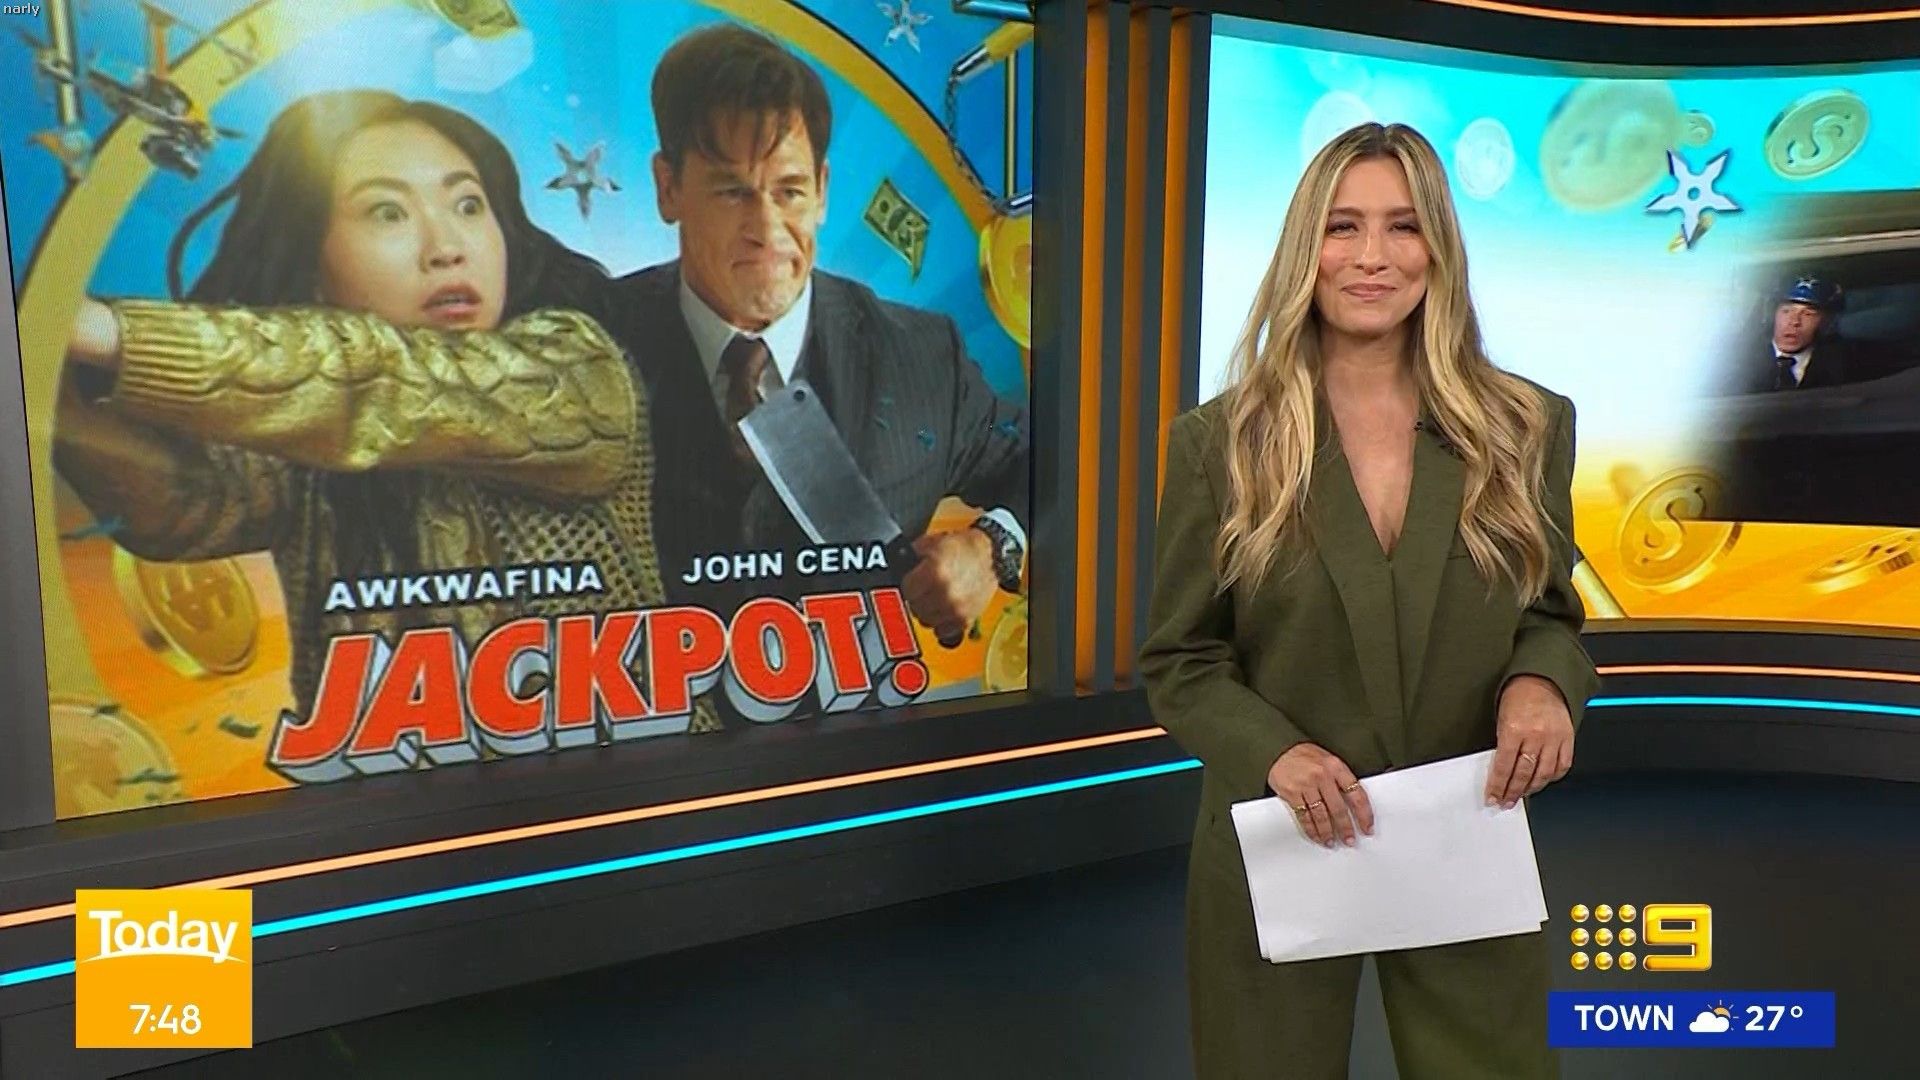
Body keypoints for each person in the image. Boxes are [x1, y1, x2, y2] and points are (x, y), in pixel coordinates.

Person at [1139, 123, 1599, 1079]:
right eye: (1343, 227)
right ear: (1304, 247)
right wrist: (1276, 754)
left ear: (1439, 248)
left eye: (1403, 226)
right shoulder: (1219, 444)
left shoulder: (1526, 426)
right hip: (1281, 834)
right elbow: (1183, 659)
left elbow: (1550, 616)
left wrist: (1543, 686)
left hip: (1465, 831)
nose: (1373, 257)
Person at [52, 90, 706, 731]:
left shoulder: (576, 369)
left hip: (636, 787)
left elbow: (384, 382)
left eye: (469, 204)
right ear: (312, 265)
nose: (446, 246)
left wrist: (101, 331)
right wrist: (48, 363)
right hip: (396, 799)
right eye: (388, 213)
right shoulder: (304, 437)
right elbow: (181, 508)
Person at [583, 24, 1029, 649]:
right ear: (668, 188)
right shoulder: (577, 347)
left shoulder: (923, 357)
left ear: (822, 190)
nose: (767, 230)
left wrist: (991, 547)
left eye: (789, 192)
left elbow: (1055, 462)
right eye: (733, 192)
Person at [1742, 275, 1850, 392]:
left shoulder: (1844, 365)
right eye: (1786, 311)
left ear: (1826, 323)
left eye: (1808, 314)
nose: (1794, 321)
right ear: (1773, 315)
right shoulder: (1739, 359)